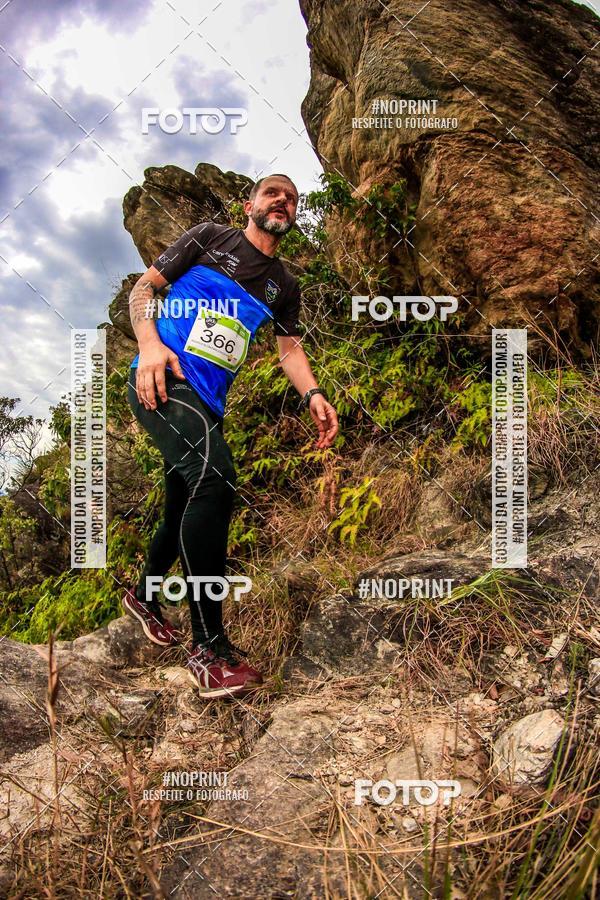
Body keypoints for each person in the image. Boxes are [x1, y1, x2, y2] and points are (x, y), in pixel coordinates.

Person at [123, 173, 339, 699]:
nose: (282, 202)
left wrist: (313, 394)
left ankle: (145, 596)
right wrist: (150, 347)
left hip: (209, 404)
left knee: (183, 502)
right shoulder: (209, 238)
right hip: (164, 378)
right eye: (273, 193)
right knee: (216, 478)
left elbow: (289, 351)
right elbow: (143, 288)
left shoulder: (285, 286)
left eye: (291, 198)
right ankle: (208, 648)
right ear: (250, 204)